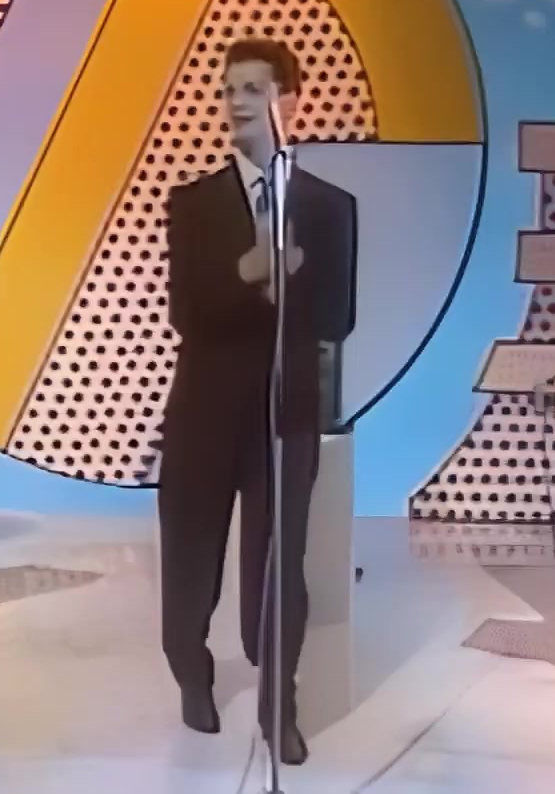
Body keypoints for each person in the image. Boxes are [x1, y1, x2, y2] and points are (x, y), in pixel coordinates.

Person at [157, 37, 357, 766]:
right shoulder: (191, 205)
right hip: (204, 412)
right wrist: (251, 274)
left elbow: (337, 318)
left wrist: (290, 284)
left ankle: (280, 702)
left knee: (280, 564)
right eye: (229, 89)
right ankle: (192, 672)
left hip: (286, 411)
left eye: (254, 88)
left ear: (288, 100)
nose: (237, 101)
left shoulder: (330, 208)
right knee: (191, 554)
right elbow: (186, 313)